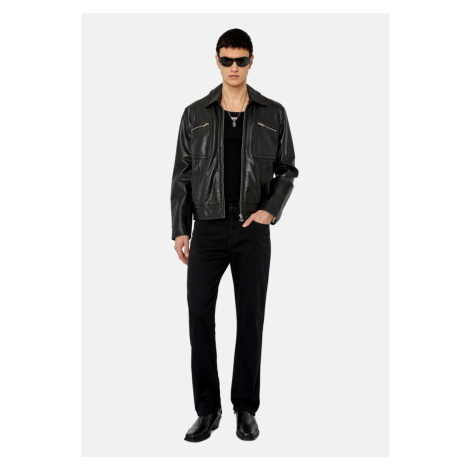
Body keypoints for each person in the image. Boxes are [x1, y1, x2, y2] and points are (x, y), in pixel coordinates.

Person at [170, 28, 299, 442]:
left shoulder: (272, 113)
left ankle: (245, 408)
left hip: (251, 230)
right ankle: (207, 410)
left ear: (251, 61)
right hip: (206, 229)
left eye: (241, 60)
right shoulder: (195, 114)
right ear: (217, 60)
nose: (233, 68)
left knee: (250, 319)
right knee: (199, 317)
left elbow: (287, 170)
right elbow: (183, 174)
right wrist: (180, 229)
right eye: (226, 60)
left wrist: (270, 210)